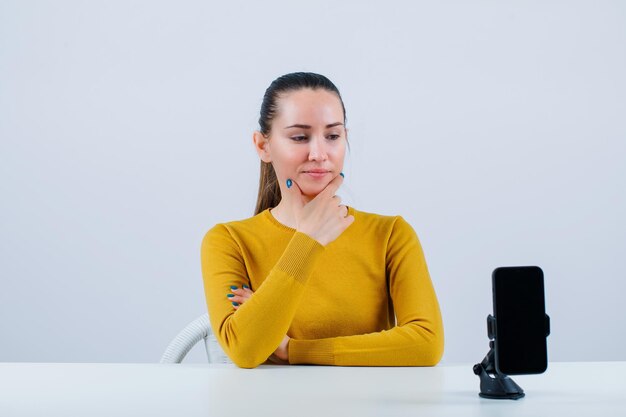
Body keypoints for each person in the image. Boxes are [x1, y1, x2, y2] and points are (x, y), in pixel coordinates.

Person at [200, 72, 444, 368]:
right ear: (263, 146)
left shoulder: (391, 234)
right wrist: (308, 241)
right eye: (300, 137)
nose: (318, 154)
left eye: (332, 136)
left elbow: (426, 345)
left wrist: (296, 350)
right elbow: (245, 350)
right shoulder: (228, 241)